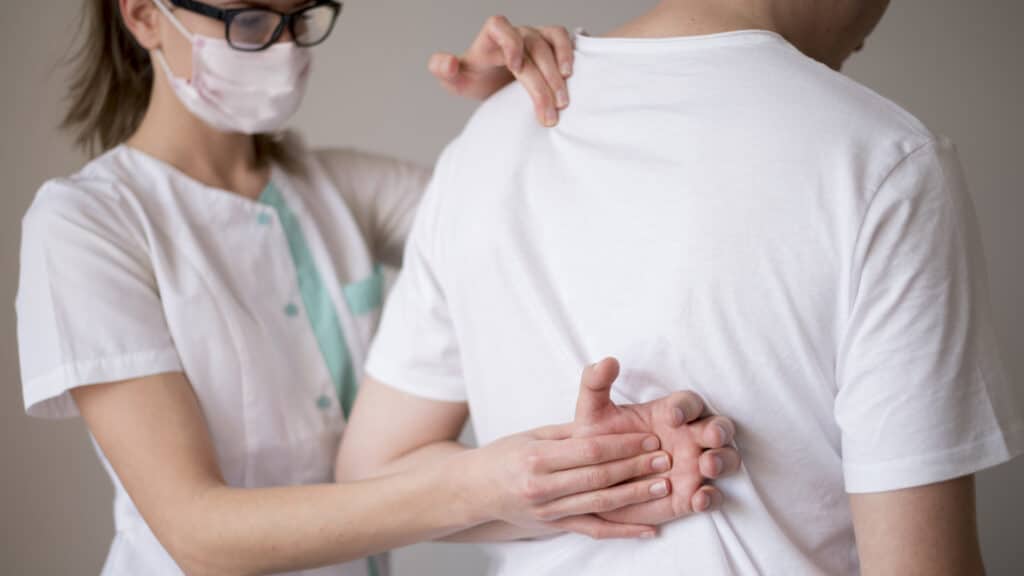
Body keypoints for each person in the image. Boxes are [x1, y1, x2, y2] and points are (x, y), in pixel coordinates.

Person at [15, 1, 746, 575]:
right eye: (249, 18)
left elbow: (515, 236)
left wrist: (520, 112)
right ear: (144, 13)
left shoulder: (339, 192)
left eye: (299, 18)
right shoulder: (86, 223)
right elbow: (197, 535)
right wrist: (493, 483)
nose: (282, 46)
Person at [339, 0, 1024, 574]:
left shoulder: (489, 137)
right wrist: (583, 481)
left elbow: (372, 480)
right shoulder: (885, 161)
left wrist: (569, 486)